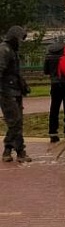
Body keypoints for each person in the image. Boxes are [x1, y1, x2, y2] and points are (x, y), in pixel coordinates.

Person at [0, 25, 31, 162]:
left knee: (17, 121)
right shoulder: (4, 49)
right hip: (6, 91)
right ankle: (17, 151)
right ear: (14, 38)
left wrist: (22, 84)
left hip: (15, 90)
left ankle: (11, 150)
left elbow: (15, 72)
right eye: (20, 39)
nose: (21, 43)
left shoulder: (12, 50)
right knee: (15, 121)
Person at [43, 37, 65, 143]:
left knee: (54, 108)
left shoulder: (48, 51)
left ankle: (53, 133)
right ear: (64, 42)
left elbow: (46, 70)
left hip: (55, 84)